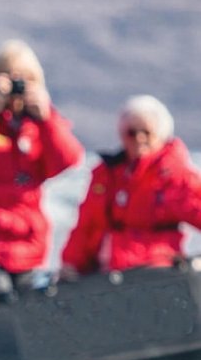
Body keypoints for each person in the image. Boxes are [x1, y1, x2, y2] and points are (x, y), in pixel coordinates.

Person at [0, 39, 84, 300]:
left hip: (27, 241)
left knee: (28, 307)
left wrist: (46, 118)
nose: (16, 87)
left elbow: (67, 160)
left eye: (24, 79)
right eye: (9, 78)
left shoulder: (38, 124)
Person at [61, 95, 201, 277]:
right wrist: (71, 264)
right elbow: (86, 225)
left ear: (160, 134)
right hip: (110, 275)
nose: (139, 138)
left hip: (159, 275)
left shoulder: (176, 175)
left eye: (146, 132)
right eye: (131, 132)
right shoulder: (106, 174)